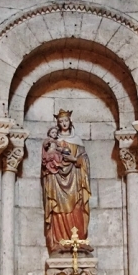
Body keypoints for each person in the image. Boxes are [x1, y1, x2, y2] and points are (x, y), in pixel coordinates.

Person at [41, 109, 91, 254]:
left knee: (77, 208)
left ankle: (78, 241)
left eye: (66, 121)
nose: (63, 124)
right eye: (61, 121)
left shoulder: (77, 141)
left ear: (70, 122)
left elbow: (84, 161)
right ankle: (58, 242)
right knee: (57, 209)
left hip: (75, 180)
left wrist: (75, 160)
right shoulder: (52, 142)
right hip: (56, 180)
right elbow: (46, 161)